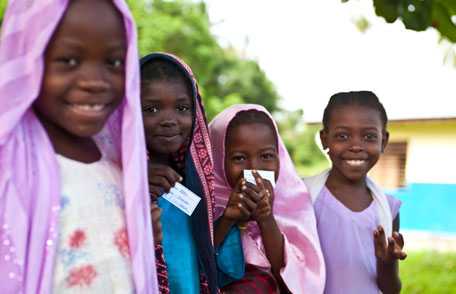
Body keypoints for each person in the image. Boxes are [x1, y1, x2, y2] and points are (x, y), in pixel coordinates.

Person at [0, 1, 158, 293]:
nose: (94, 82)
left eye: (113, 62)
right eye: (70, 60)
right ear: (27, 57)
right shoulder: (9, 165)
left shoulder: (118, 162)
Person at [209, 104, 325, 293]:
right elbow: (194, 262)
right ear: (218, 157)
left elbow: (295, 276)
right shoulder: (202, 199)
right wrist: (228, 219)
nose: (254, 168)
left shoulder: (293, 201)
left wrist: (266, 218)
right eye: (239, 158)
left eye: (266, 156)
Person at [303, 91, 407, 294]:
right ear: (325, 139)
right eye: (342, 136)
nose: (356, 146)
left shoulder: (388, 209)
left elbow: (391, 289)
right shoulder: (304, 197)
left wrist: (386, 263)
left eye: (369, 136)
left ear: (383, 141)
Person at [140, 53, 218, 294]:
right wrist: (137, 186)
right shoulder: (114, 181)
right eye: (151, 109)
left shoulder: (200, 184)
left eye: (182, 108)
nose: (169, 121)